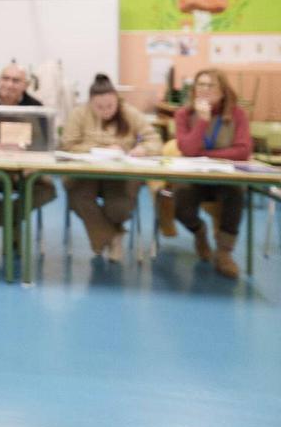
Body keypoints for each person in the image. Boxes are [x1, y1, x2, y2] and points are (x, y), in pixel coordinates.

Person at [60, 74, 162, 262]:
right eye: (99, 107)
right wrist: (96, 149)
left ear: (117, 101)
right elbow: (67, 144)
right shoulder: (78, 114)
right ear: (90, 102)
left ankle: (105, 237)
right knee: (79, 197)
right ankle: (113, 237)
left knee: (119, 208)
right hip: (85, 173)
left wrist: (143, 148)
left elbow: (154, 140)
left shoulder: (129, 113)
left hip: (121, 174)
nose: (106, 111)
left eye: (110, 106)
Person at [172, 68, 252, 279]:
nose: (205, 90)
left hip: (225, 177)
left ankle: (224, 253)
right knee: (179, 198)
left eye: (211, 85)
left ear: (223, 91)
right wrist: (203, 121)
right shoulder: (183, 114)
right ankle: (199, 232)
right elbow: (187, 150)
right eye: (201, 85)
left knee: (236, 193)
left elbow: (243, 150)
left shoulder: (237, 114)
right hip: (195, 177)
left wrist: (207, 154)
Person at [0, 62, 56, 238]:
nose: (9, 84)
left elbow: (43, 142)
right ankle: (12, 227)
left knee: (47, 190)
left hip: (25, 168)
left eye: (16, 80)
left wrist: (27, 152)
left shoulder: (36, 107)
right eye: (5, 78)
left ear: (25, 85)